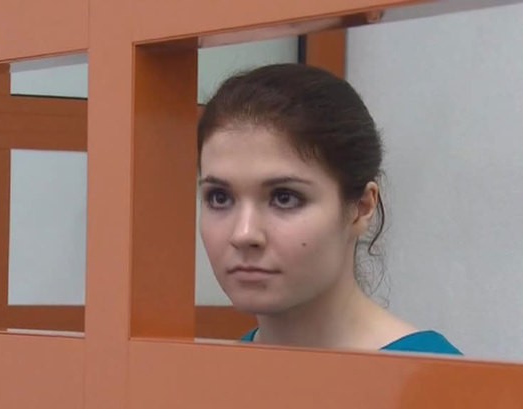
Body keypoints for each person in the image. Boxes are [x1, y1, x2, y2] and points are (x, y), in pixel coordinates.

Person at [197, 63, 461, 356]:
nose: (244, 234)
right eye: (219, 197)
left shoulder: (436, 375)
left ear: (361, 208)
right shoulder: (219, 370)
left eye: (284, 198)